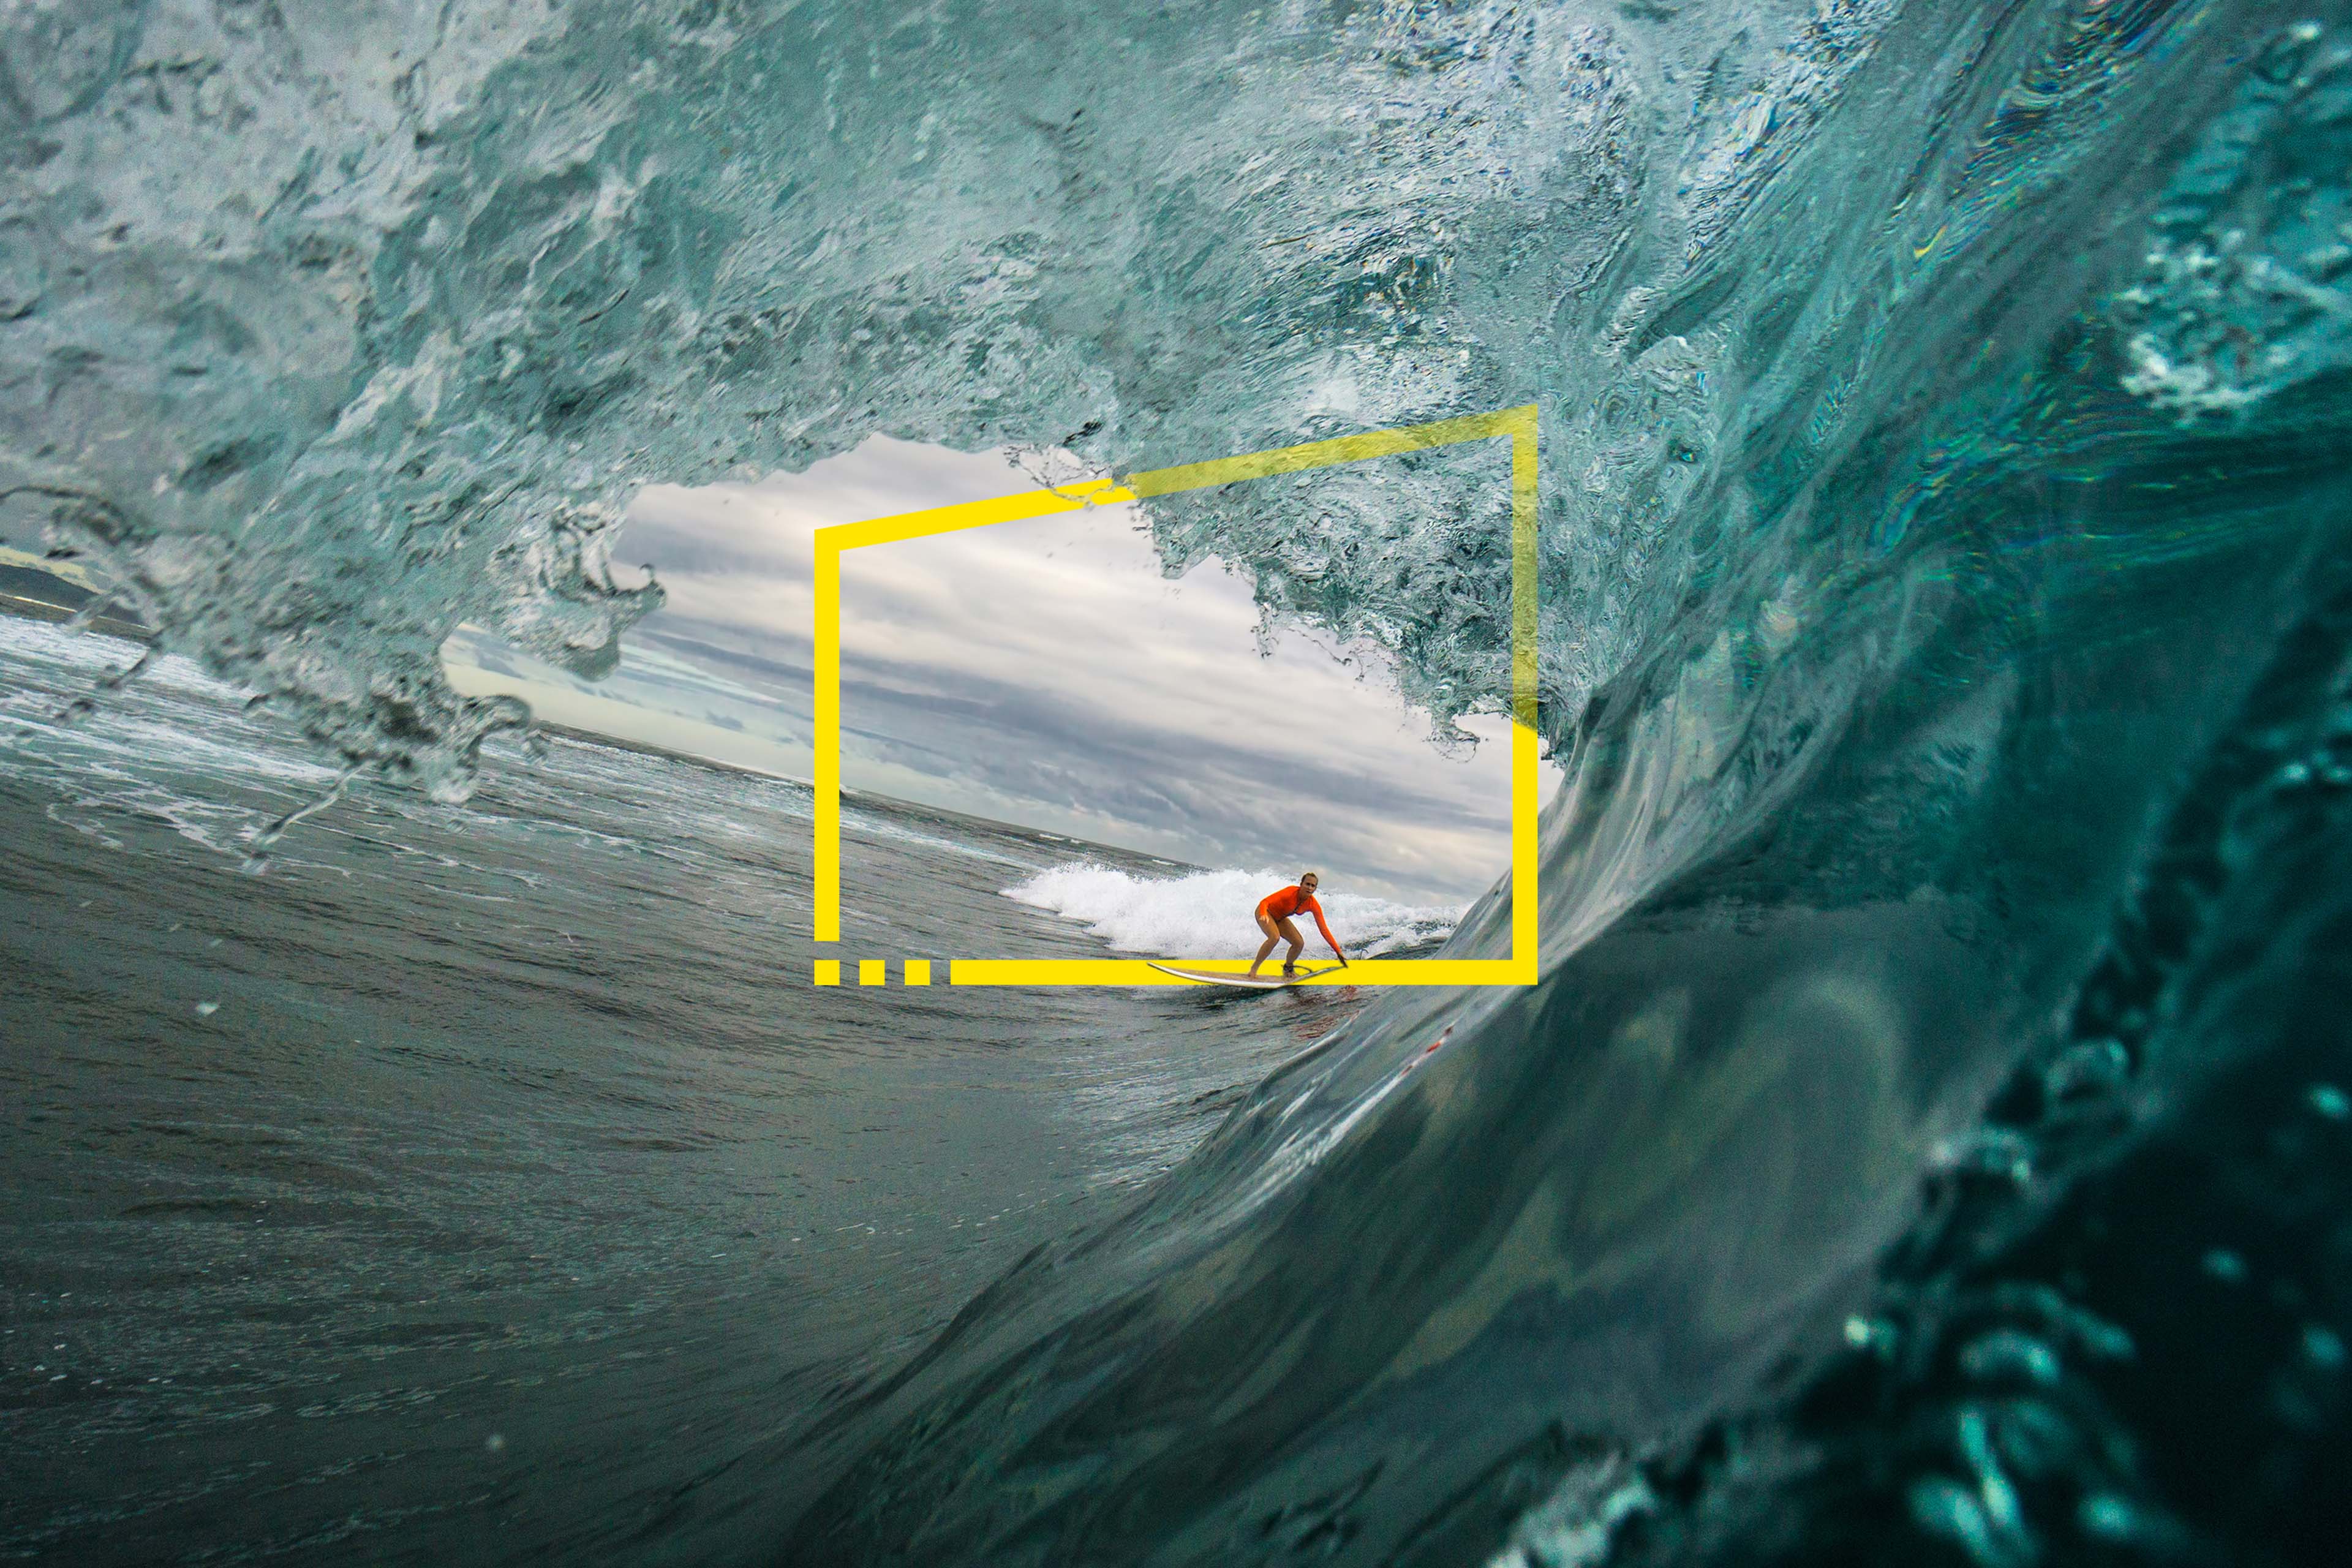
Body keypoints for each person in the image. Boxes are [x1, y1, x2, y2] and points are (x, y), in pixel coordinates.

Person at [1248, 871, 1350, 978]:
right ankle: (1254, 969)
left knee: (1299, 943)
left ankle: (1288, 969)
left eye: (1313, 886)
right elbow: (1265, 902)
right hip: (1265, 912)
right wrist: (1264, 913)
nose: (1310, 888)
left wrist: (1338, 952)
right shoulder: (1291, 892)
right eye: (1307, 884)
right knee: (1275, 937)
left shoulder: (1313, 904)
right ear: (1301, 884)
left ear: (1315, 889)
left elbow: (1324, 930)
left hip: (1280, 918)